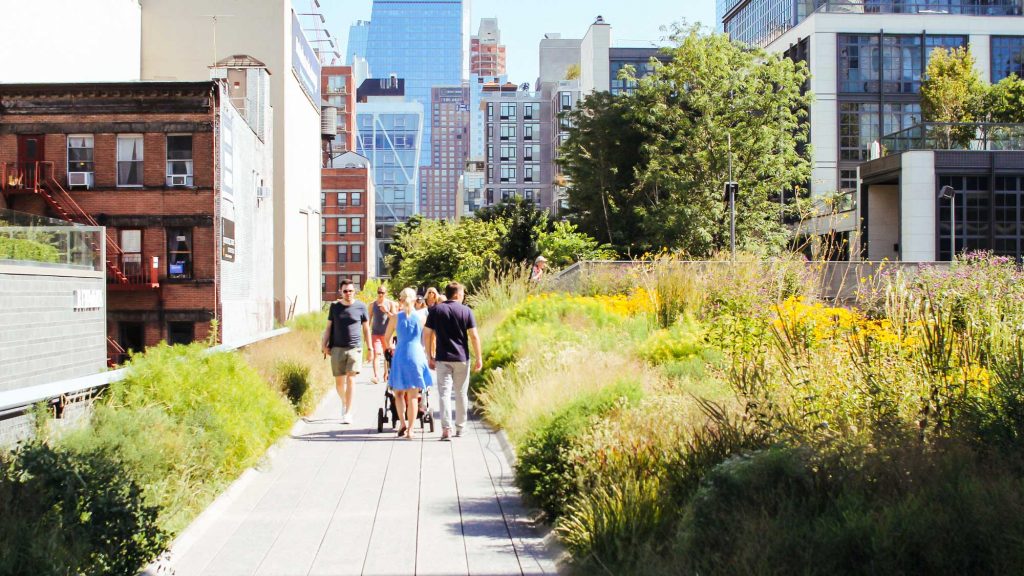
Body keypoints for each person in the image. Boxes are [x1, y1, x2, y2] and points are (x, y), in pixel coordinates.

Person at [424, 282, 483, 441]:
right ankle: (461, 428)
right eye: (463, 294)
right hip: (462, 358)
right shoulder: (466, 311)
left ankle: (446, 429)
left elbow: (427, 333)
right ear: (457, 295)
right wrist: (479, 357)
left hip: (443, 358)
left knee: (443, 393)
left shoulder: (436, 310)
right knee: (461, 393)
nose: (464, 296)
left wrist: (429, 355)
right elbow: (474, 336)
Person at [384, 287, 433, 439]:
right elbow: (427, 337)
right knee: (413, 394)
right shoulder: (421, 317)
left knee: (398, 393)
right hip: (416, 354)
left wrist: (391, 347)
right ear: (414, 300)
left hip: (400, 355)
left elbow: (386, 338)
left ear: (401, 299)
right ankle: (411, 430)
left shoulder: (395, 318)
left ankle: (403, 423)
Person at [322, 279, 371, 424]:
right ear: (340, 292)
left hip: (355, 348)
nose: (348, 293)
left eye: (350, 290)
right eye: (345, 291)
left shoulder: (361, 307)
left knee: (351, 378)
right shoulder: (335, 307)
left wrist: (370, 348)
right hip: (337, 348)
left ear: (354, 291)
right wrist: (323, 345)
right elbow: (328, 328)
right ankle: (344, 401)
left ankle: (348, 412)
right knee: (339, 383)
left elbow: (366, 329)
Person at [369, 285, 397, 384]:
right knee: (376, 354)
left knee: (387, 355)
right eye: (379, 292)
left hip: (387, 334)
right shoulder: (372, 305)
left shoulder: (390, 304)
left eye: (382, 293)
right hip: (375, 333)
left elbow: (394, 318)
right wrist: (366, 334)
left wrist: (386, 311)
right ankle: (376, 376)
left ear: (386, 293)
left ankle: (387, 373)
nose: (380, 294)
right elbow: (369, 319)